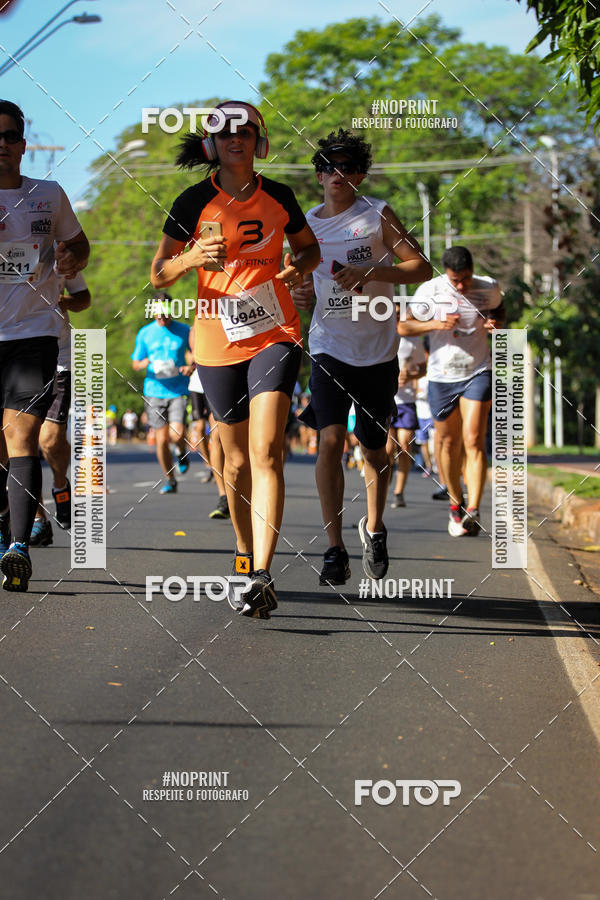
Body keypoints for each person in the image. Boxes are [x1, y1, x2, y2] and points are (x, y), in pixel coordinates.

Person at [150, 101, 319, 618]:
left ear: (258, 141)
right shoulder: (193, 200)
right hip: (216, 340)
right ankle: (245, 557)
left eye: (245, 132)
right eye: (225, 135)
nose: (236, 141)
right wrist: (190, 258)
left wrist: (297, 266)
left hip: (276, 331)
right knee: (238, 460)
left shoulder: (281, 196)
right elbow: (158, 274)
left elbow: (309, 250)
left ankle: (263, 572)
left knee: (267, 450)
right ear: (211, 146)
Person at [293, 129, 432, 584]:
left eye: (350, 167)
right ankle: (333, 547)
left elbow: (421, 266)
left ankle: (373, 526)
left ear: (361, 175)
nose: (340, 174)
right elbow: (297, 284)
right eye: (331, 166)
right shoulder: (304, 225)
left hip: (377, 350)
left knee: (374, 449)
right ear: (318, 175)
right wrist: (297, 294)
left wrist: (372, 270)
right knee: (330, 440)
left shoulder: (376, 214)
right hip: (328, 346)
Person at [0, 100, 89, 590]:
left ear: (23, 144)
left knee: (24, 438)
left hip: (34, 336)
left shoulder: (48, 195)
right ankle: (6, 530)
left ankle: (18, 547)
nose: (3, 145)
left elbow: (80, 244)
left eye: (11, 136)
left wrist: (72, 259)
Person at [398, 246, 505, 535]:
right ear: (446, 273)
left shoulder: (488, 287)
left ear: (473, 270)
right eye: (456, 280)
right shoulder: (430, 292)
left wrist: (496, 323)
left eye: (466, 278)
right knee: (447, 443)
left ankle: (474, 509)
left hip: (478, 371)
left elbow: (499, 308)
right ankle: (456, 505)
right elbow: (403, 326)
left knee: (473, 439)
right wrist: (436, 323)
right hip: (441, 376)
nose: (461, 285)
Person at [29, 274, 91, 546]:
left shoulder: (61, 256)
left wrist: (63, 301)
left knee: (50, 440)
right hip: (18, 362)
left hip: (59, 360)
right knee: (22, 443)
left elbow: (84, 299)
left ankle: (60, 485)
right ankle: (38, 519)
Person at [131, 293, 193, 494]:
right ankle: (170, 479)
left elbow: (194, 353)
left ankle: (182, 452)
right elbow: (135, 362)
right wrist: (144, 363)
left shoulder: (184, 330)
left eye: (166, 314)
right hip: (154, 392)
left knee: (178, 433)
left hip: (178, 389)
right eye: (158, 314)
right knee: (162, 440)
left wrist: (190, 366)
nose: (162, 318)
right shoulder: (145, 333)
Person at [386, 334, 427, 508]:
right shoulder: (381, 334)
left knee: (404, 446)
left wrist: (410, 376)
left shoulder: (414, 340)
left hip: (407, 401)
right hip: (385, 399)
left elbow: (423, 369)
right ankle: (384, 481)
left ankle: (398, 492)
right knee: (388, 449)